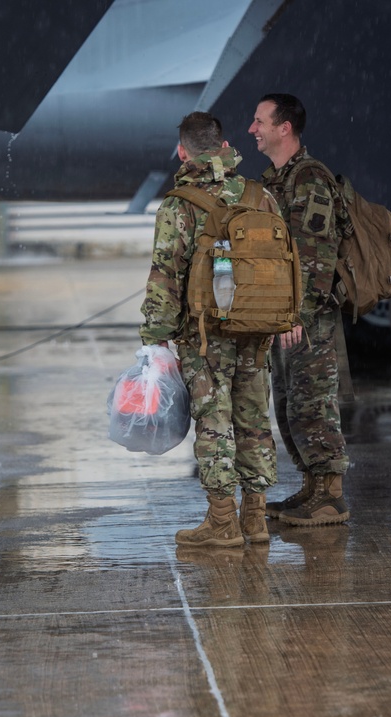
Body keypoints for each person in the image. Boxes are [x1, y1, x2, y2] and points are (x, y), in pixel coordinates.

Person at [140, 111, 279, 548]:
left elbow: (165, 274)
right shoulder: (260, 196)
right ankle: (255, 519)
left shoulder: (179, 204)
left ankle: (222, 522)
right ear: (224, 145)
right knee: (255, 421)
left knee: (214, 423)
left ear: (183, 151)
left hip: (207, 334)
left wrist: (155, 336)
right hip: (257, 329)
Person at [248, 93, 350, 526]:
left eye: (259, 121)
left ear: (283, 127)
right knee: (291, 405)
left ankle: (330, 495)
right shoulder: (275, 180)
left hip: (306, 319)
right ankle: (312, 488)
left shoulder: (307, 179)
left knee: (312, 404)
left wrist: (297, 316)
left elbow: (314, 257)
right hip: (285, 317)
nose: (252, 129)